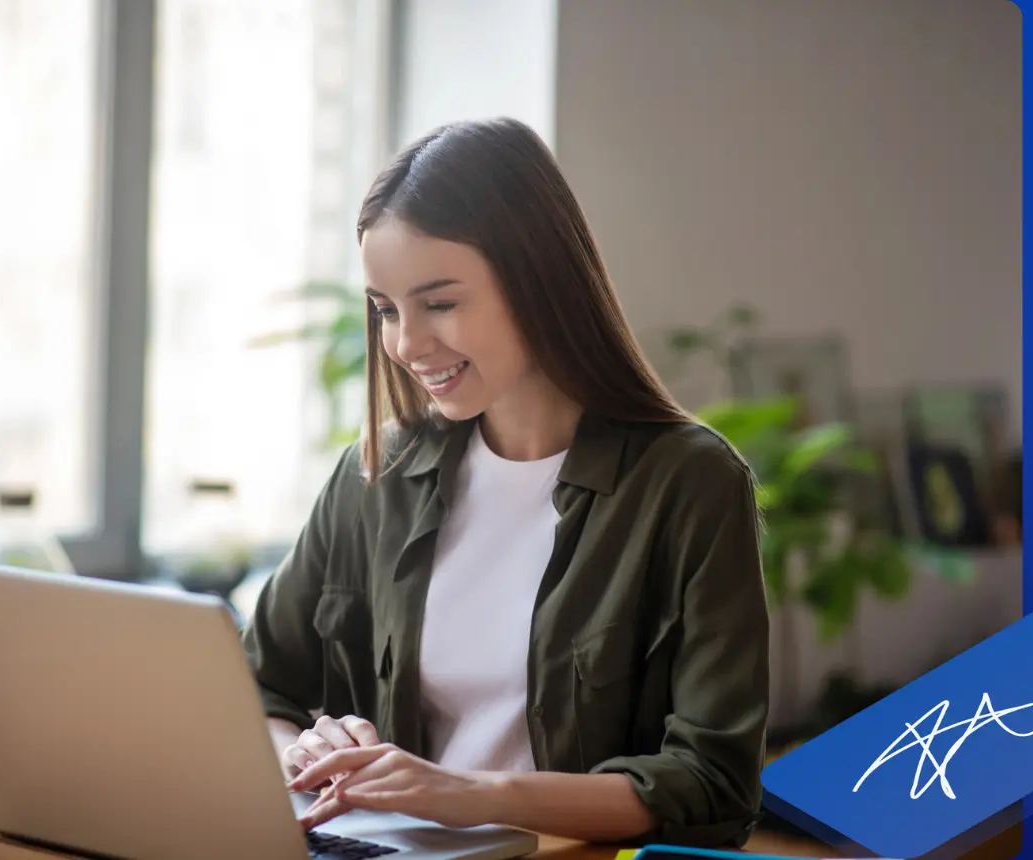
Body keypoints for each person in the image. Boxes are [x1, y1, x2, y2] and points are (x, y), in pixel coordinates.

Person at [239, 117, 770, 850]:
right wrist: (299, 755)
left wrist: (469, 796)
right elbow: (255, 687)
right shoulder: (377, 474)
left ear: (537, 281)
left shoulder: (690, 485)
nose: (405, 344)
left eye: (441, 303)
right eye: (386, 310)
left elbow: (712, 781)